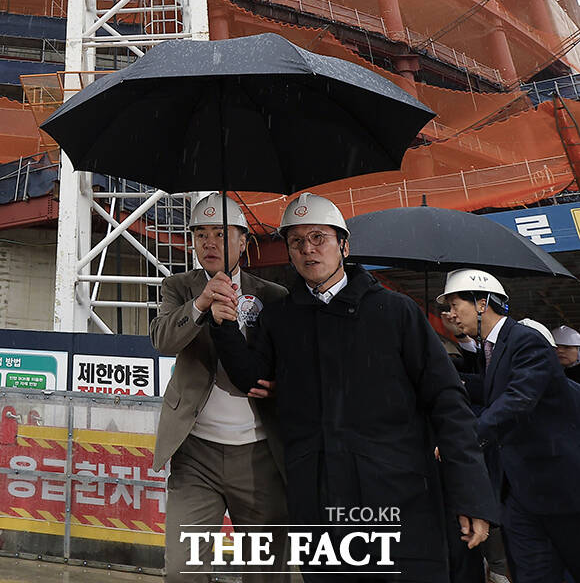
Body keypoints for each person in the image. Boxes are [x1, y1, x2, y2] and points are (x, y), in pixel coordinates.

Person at [210, 192, 498, 583]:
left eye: (319, 238)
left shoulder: (395, 312)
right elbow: (252, 379)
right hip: (319, 499)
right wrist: (224, 326)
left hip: (397, 497)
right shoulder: (282, 317)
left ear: (343, 245)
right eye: (297, 242)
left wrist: (470, 495)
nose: (308, 250)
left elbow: (447, 401)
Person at [150, 193, 288, 583]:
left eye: (221, 233)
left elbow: (291, 362)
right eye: (201, 234)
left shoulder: (274, 295)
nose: (209, 243)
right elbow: (162, 339)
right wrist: (199, 306)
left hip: (260, 455)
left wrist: (283, 387)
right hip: (196, 455)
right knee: (182, 571)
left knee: (265, 575)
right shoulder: (178, 287)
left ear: (243, 241)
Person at [439, 268, 580, 583]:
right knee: (532, 573)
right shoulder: (494, 347)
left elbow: (517, 399)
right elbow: (491, 390)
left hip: (558, 488)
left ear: (481, 303)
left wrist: (462, 438)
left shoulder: (525, 341)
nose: (450, 315)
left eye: (454, 305)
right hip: (519, 492)